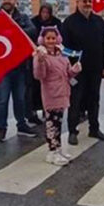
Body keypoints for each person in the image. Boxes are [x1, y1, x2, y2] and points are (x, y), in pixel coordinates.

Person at [61, 0, 104, 145]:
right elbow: (65, 48)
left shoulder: (98, 21)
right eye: (84, 1)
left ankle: (94, 128)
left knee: (94, 99)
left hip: (95, 68)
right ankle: (72, 131)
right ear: (77, 3)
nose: (88, 4)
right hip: (77, 71)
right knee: (75, 101)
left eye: (90, 1)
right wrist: (70, 68)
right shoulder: (69, 22)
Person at [0, 0, 39, 142]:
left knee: (20, 99)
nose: (7, 1)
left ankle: (21, 124)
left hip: (19, 67)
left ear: (15, 0)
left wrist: (14, 31)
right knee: (2, 99)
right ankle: (1, 128)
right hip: (3, 67)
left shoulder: (23, 18)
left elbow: (33, 31)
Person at [33, 26, 82, 166]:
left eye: (53, 38)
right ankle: (52, 151)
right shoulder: (40, 55)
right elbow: (39, 75)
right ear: (43, 39)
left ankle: (58, 148)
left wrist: (75, 70)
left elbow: (67, 73)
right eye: (48, 38)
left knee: (58, 123)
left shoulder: (61, 54)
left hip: (63, 92)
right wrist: (41, 61)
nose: (51, 41)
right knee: (51, 124)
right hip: (51, 94)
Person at [30, 2, 62, 116]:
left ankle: (47, 108)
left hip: (53, 56)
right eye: (43, 12)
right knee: (36, 85)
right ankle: (33, 109)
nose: (45, 15)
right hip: (38, 55)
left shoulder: (56, 22)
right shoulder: (34, 22)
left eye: (47, 13)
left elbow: (60, 38)